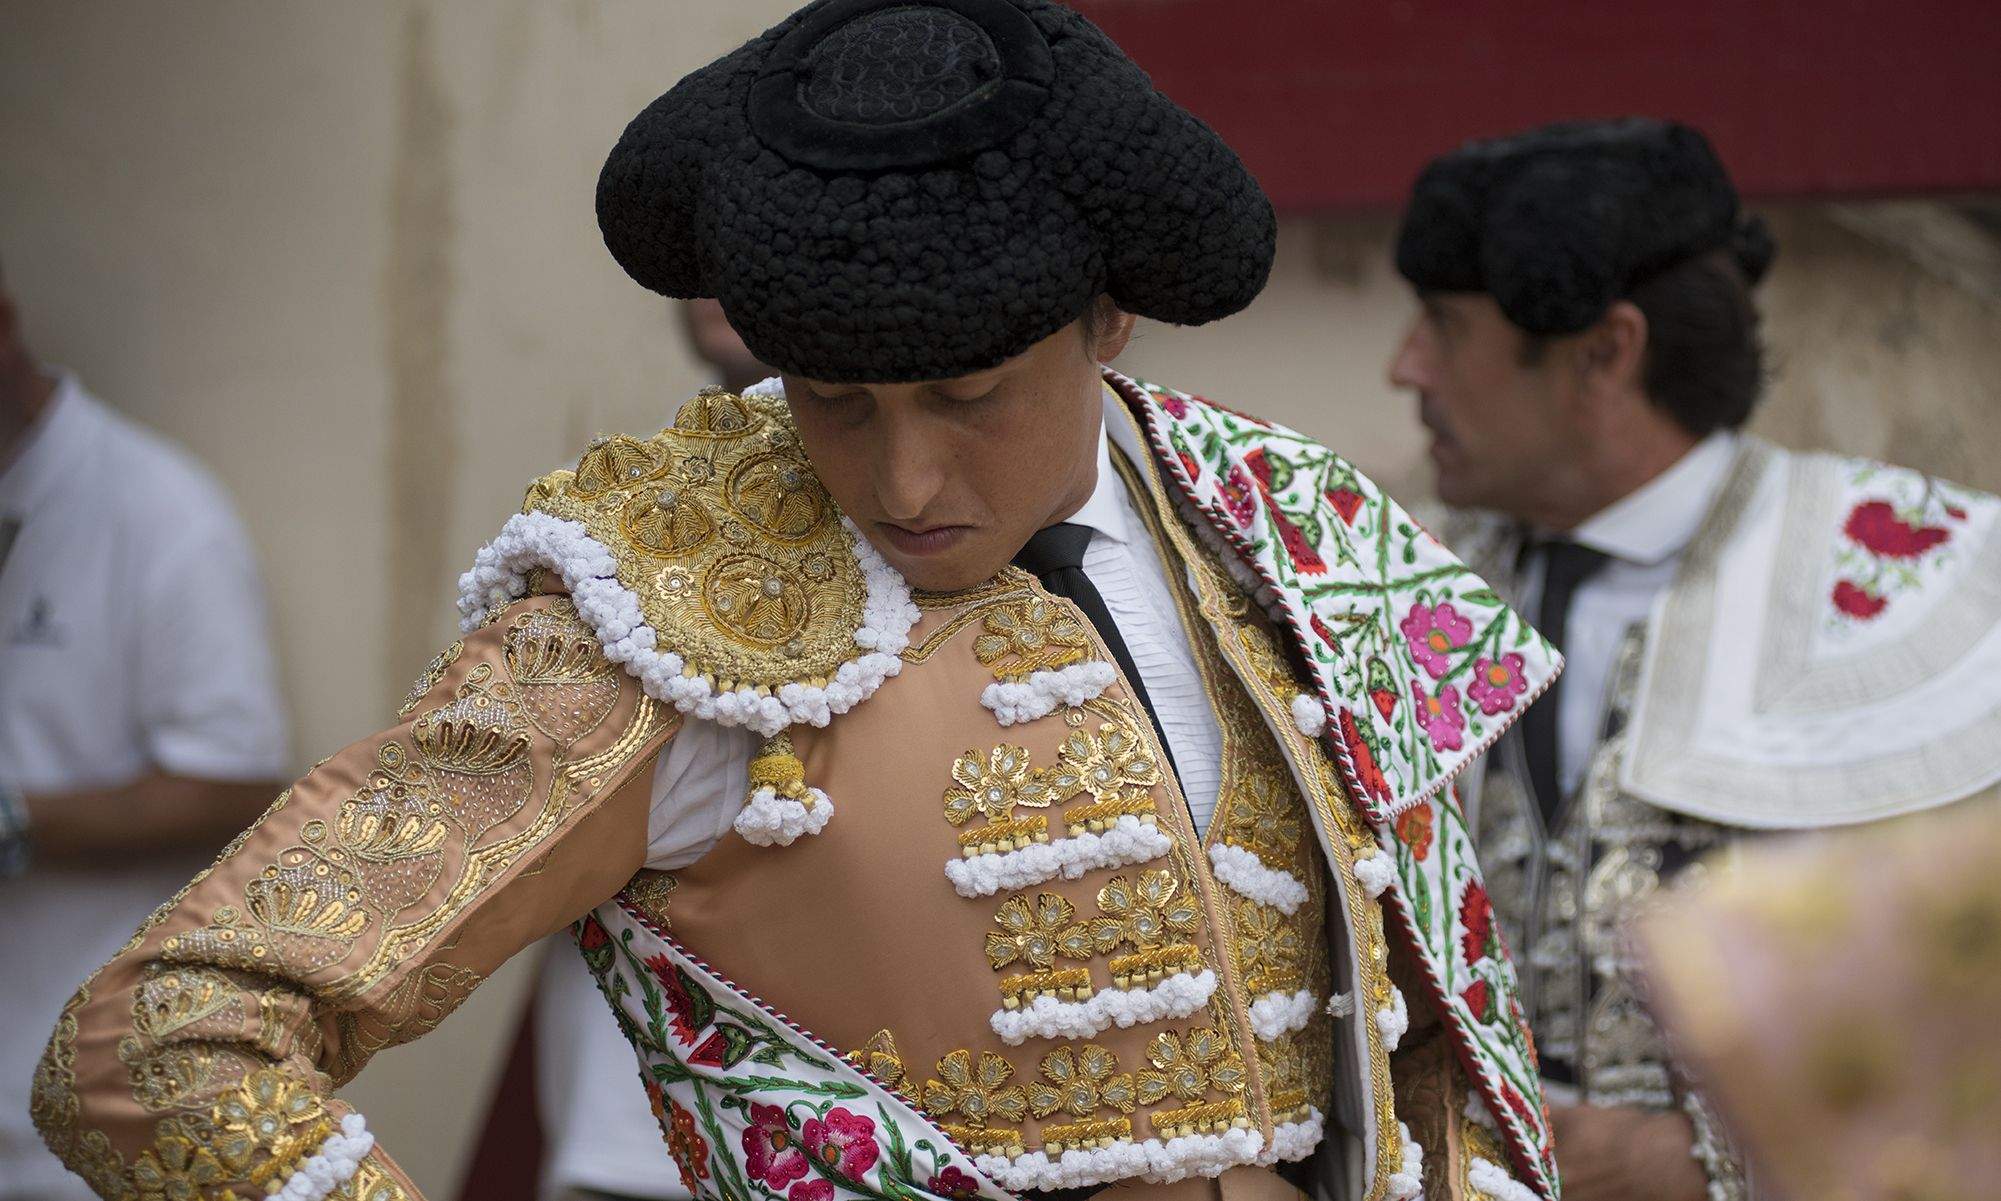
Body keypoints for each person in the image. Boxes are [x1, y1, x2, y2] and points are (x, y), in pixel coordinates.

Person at [36, 5, 1570, 1200]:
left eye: (968, 395)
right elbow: (163, 1036)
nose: (903, 482)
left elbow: (1435, 1020)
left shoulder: (1277, 528)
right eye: (831, 402)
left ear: (1109, 320)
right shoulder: (659, 609)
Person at [1385, 118, 2001, 1201]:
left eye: (1443, 324)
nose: (1406, 368)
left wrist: (1699, 1161)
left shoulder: (1941, 586)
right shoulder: (1387, 564)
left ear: (1605, 352)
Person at [0, 261, 290, 1200]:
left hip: (76, 1122)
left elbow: (236, 786)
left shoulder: (160, 510)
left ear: (5, 323)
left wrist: (10, 819)